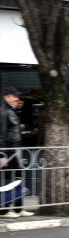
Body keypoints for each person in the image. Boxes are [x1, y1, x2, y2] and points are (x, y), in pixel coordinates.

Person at [0, 87, 34, 217]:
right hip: (7, 151)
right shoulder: (3, 112)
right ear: (7, 96)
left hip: (12, 150)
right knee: (8, 180)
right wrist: (1, 155)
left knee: (17, 178)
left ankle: (18, 209)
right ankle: (4, 210)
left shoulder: (9, 111)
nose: (17, 100)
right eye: (15, 97)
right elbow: (1, 134)